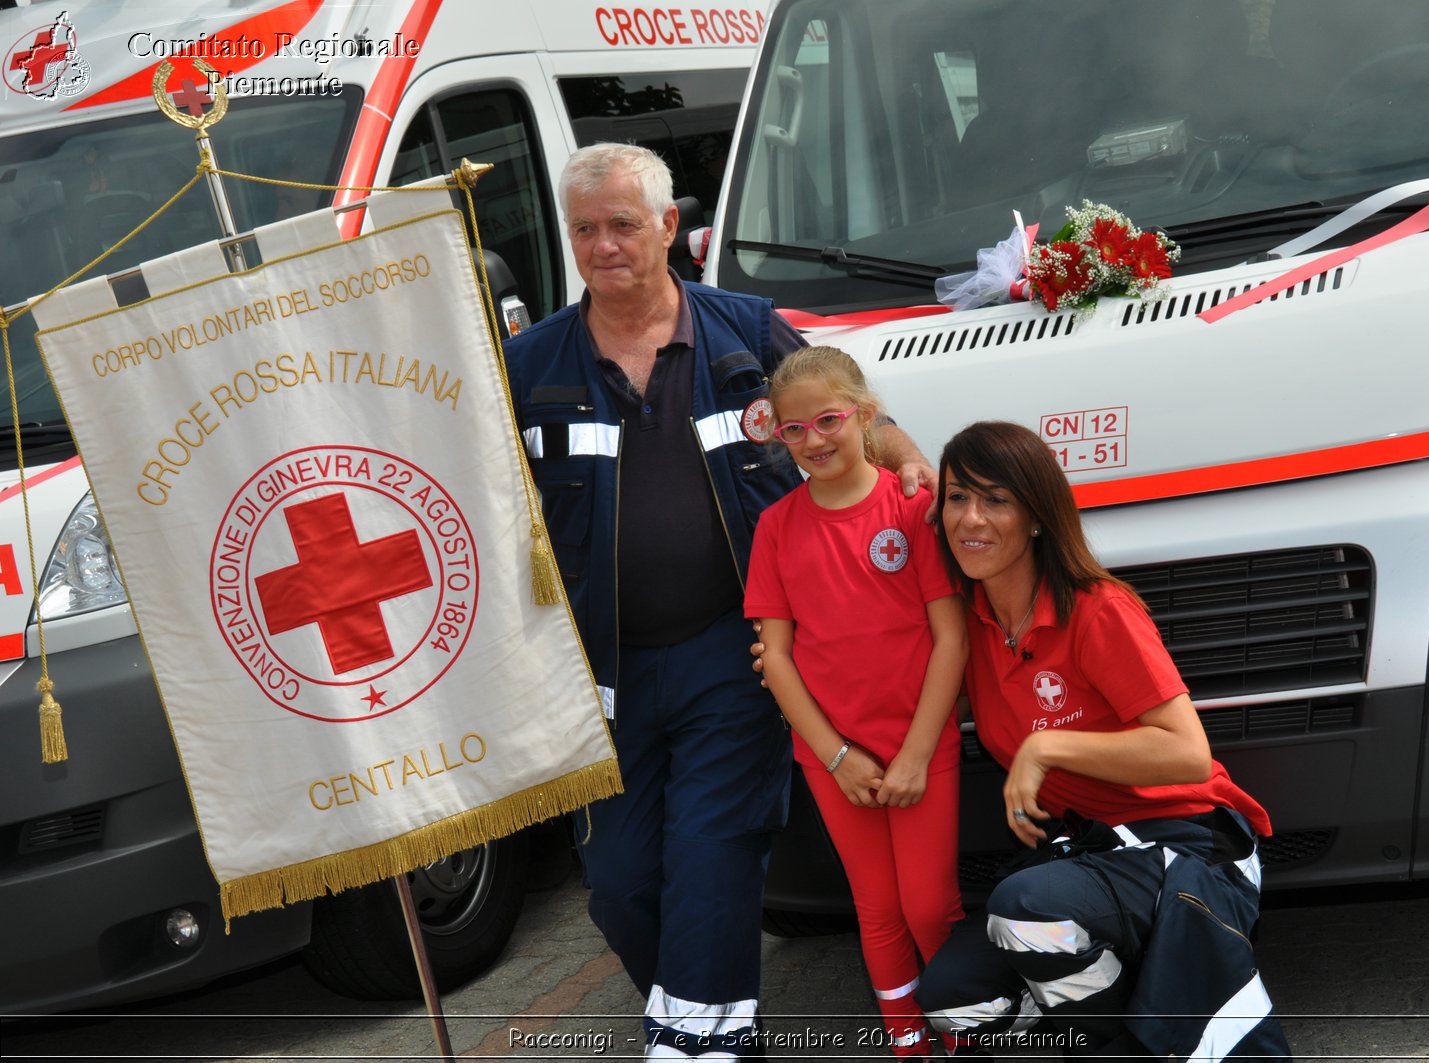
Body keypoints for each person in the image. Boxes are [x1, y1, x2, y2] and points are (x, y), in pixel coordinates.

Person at [501, 143, 934, 1060]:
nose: (604, 245)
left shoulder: (743, 332)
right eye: (585, 229)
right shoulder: (529, 362)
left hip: (729, 658)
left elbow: (854, 408)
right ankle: (706, 1020)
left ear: (668, 227)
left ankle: (702, 1046)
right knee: (619, 885)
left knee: (712, 860)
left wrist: (909, 462)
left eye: (623, 224)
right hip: (603, 673)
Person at [917, 420, 1292, 1061]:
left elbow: (1186, 753)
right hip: (1083, 858)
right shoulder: (969, 624)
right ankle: (1135, 1006)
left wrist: (1046, 747)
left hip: (1187, 841)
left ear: (1037, 516)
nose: (970, 518)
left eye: (996, 499)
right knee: (955, 1004)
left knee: (1025, 910)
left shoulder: (1097, 608)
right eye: (956, 497)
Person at [743, 347, 968, 1059]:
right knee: (876, 907)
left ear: (865, 415)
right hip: (834, 760)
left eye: (829, 420)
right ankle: (907, 1039)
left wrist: (916, 753)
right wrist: (837, 756)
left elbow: (951, 638)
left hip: (920, 749)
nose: (813, 440)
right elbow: (774, 657)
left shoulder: (911, 508)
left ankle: (967, 1026)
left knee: (929, 906)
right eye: (794, 430)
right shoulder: (776, 527)